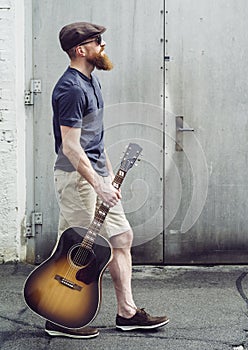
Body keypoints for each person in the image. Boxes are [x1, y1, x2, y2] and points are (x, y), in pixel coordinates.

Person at [46, 21, 169, 339]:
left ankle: (127, 313)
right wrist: (97, 183)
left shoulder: (91, 82)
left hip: (96, 175)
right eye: (98, 41)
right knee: (77, 249)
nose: (104, 46)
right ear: (80, 49)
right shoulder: (70, 88)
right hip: (76, 179)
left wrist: (110, 178)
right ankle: (58, 316)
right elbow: (71, 147)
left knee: (122, 238)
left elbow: (94, 141)